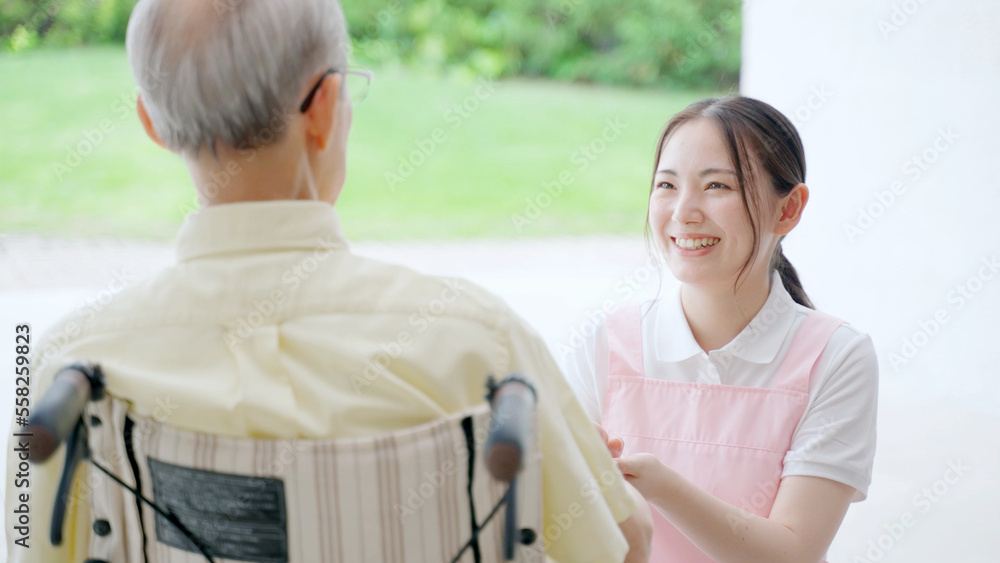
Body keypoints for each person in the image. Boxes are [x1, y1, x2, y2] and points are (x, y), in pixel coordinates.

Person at [3, 0, 652, 561]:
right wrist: (587, 472)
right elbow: (623, 548)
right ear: (325, 106)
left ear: (152, 123)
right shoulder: (480, 345)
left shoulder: (71, 366)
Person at [560, 96, 879, 562]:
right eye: (666, 184)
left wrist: (659, 483)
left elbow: (793, 553)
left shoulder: (836, 357)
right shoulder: (604, 343)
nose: (684, 211)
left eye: (716, 186)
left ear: (787, 209)